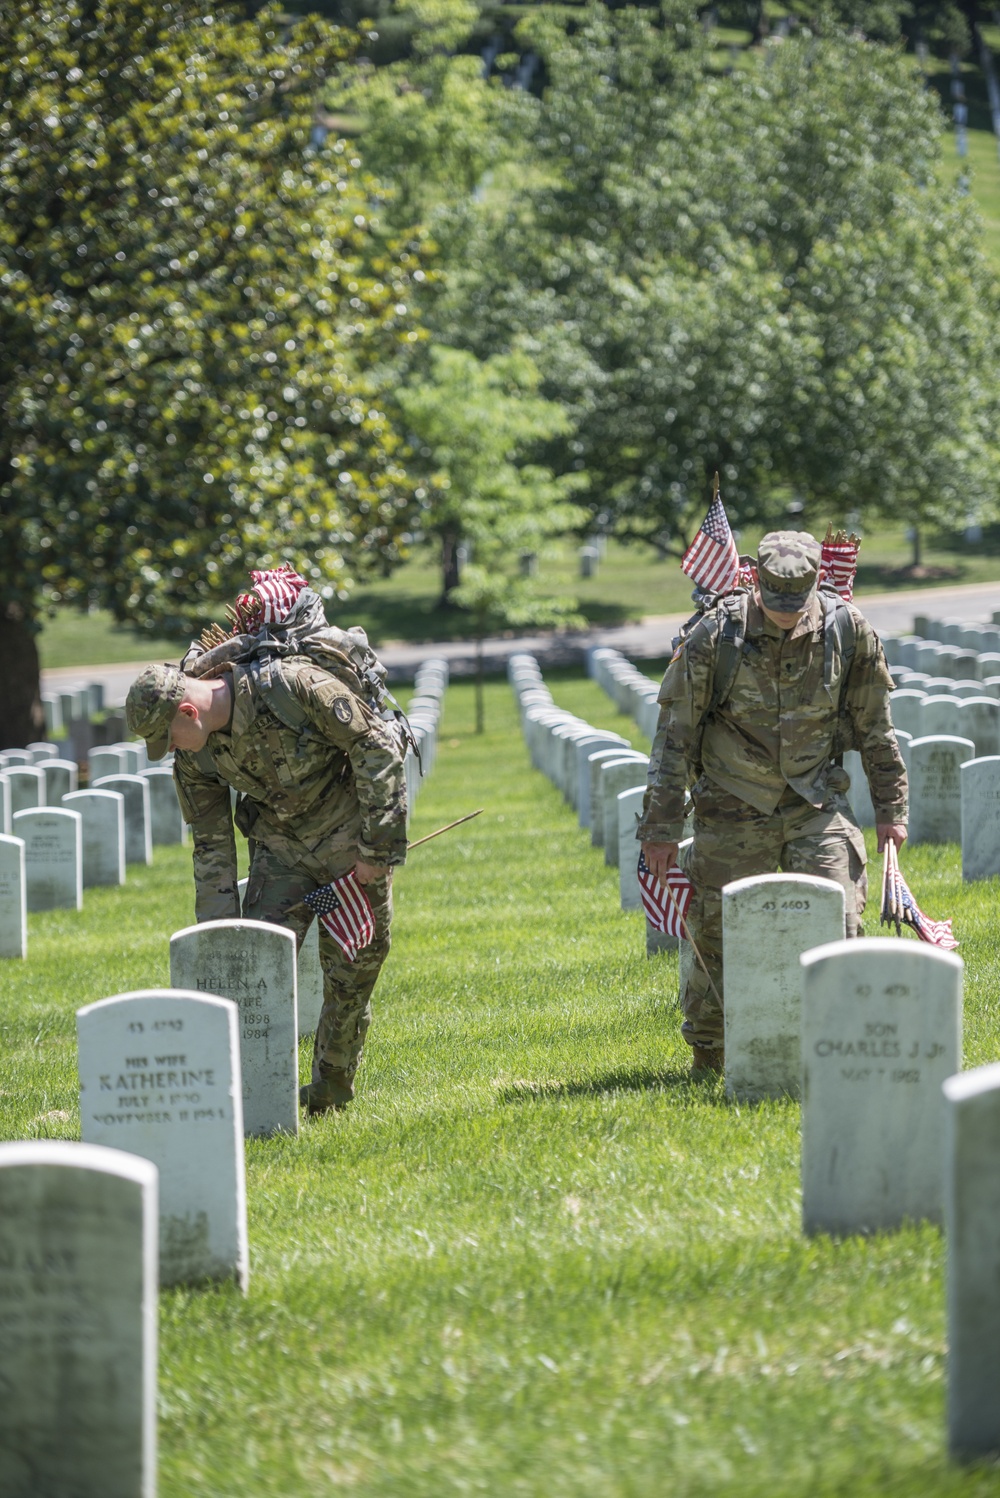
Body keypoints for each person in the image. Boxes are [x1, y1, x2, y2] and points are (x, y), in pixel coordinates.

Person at [638, 530, 907, 1075]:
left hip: (814, 799)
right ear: (756, 581)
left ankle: (838, 1048)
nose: (785, 611)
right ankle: (710, 1050)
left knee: (841, 913)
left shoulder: (847, 631)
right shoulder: (717, 635)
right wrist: (661, 828)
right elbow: (675, 735)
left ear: (812, 587)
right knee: (714, 929)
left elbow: (876, 726)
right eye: (775, 597)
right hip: (734, 797)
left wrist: (890, 809)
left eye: (796, 599)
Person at [125, 649, 408, 1115]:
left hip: (350, 847)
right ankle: (248, 1097)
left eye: (167, 738)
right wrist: (218, 936)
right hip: (280, 853)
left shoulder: (292, 687)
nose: (169, 750)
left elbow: (375, 746)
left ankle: (329, 1093)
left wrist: (377, 852)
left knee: (351, 976)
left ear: (189, 711)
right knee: (253, 970)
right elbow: (211, 845)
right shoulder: (197, 760)